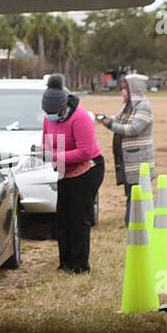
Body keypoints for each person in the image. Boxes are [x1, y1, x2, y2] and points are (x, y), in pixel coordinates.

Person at [42, 74, 105, 272]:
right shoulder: (48, 118)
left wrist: (56, 156)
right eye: (47, 112)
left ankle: (80, 265)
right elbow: (46, 141)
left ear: (63, 107)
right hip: (65, 171)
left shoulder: (80, 118)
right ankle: (65, 262)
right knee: (63, 218)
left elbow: (85, 151)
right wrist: (44, 152)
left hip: (88, 170)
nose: (50, 115)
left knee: (79, 218)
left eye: (53, 112)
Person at [98, 72, 154, 225]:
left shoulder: (144, 106)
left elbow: (133, 129)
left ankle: (134, 222)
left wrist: (110, 125)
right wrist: (103, 117)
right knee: (129, 190)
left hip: (138, 159)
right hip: (127, 157)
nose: (122, 92)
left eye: (125, 89)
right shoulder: (128, 107)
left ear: (134, 90)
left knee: (136, 191)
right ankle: (131, 220)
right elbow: (117, 118)